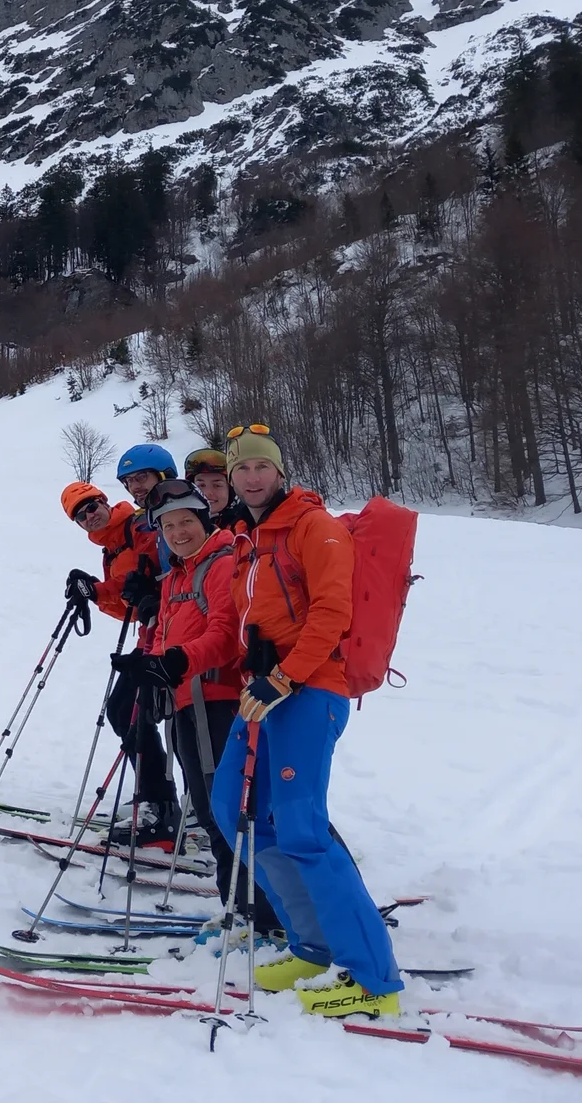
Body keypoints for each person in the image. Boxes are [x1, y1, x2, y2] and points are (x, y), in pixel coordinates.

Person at [209, 424, 403, 1019]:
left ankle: (375, 982)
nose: (251, 477)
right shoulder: (247, 539)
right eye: (242, 468)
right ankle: (313, 946)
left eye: (261, 466)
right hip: (264, 691)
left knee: (303, 831)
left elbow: (332, 612)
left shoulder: (313, 527)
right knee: (232, 809)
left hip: (309, 690)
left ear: (280, 471)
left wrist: (285, 675)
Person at [113, 478, 281, 933]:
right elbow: (168, 635)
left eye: (186, 521)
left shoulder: (221, 565)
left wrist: (176, 662)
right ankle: (240, 909)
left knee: (229, 812)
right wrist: (149, 667)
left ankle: (260, 915)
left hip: (220, 706)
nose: (178, 532)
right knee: (209, 812)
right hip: (188, 704)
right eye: (168, 526)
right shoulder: (178, 574)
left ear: (204, 521)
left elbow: (226, 634)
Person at [65, 445, 180, 844]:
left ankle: (162, 806)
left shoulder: (142, 525)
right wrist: (97, 592)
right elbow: (129, 603)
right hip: (154, 633)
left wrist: (104, 590)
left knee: (135, 712)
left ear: (104, 501)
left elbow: (159, 573)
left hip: (173, 635)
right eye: (80, 515)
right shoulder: (113, 544)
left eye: (92, 505)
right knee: (125, 711)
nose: (89, 515)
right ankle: (160, 801)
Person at [185, 445, 251, 533]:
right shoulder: (181, 523)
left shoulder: (245, 526)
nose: (208, 493)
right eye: (201, 485)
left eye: (217, 485)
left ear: (231, 489)